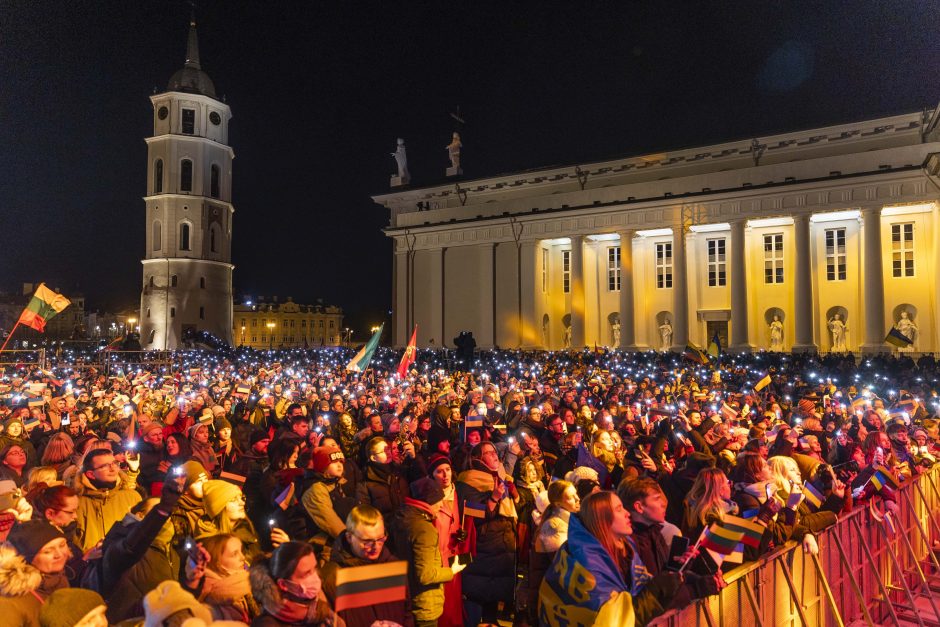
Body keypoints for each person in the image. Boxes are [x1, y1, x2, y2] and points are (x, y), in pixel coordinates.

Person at [540, 491, 680, 627]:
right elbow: (610, 620)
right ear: (602, 519)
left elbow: (635, 594)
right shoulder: (587, 563)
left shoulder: (625, 546)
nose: (627, 513)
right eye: (619, 509)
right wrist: (656, 591)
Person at [390, 477, 465, 627]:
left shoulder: (401, 519)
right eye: (439, 501)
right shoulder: (424, 530)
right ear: (428, 502)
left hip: (404, 597)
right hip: (424, 604)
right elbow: (425, 575)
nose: (442, 505)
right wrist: (451, 571)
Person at [320, 505, 410, 627]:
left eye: (380, 539)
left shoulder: (393, 566)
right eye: (367, 541)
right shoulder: (332, 577)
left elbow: (407, 613)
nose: (376, 547)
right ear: (349, 537)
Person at [249, 541, 341, 627]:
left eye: (314, 568)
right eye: (307, 573)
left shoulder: (318, 607)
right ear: (283, 585)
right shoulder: (267, 624)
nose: (315, 577)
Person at [74, 448, 142, 552]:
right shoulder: (77, 503)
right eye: (104, 466)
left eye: (114, 463)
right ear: (90, 474)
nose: (113, 469)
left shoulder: (132, 496)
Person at [186, 532, 260, 622]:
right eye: (234, 554)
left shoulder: (246, 585)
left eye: (241, 551)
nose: (243, 557)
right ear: (218, 563)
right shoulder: (214, 601)